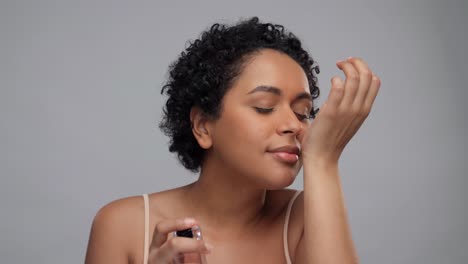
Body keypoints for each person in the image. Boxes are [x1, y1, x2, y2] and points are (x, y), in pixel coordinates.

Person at [84, 16, 380, 264]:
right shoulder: (123, 226)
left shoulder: (304, 218)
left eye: (303, 113)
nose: (294, 125)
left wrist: (323, 160)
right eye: (264, 107)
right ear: (202, 126)